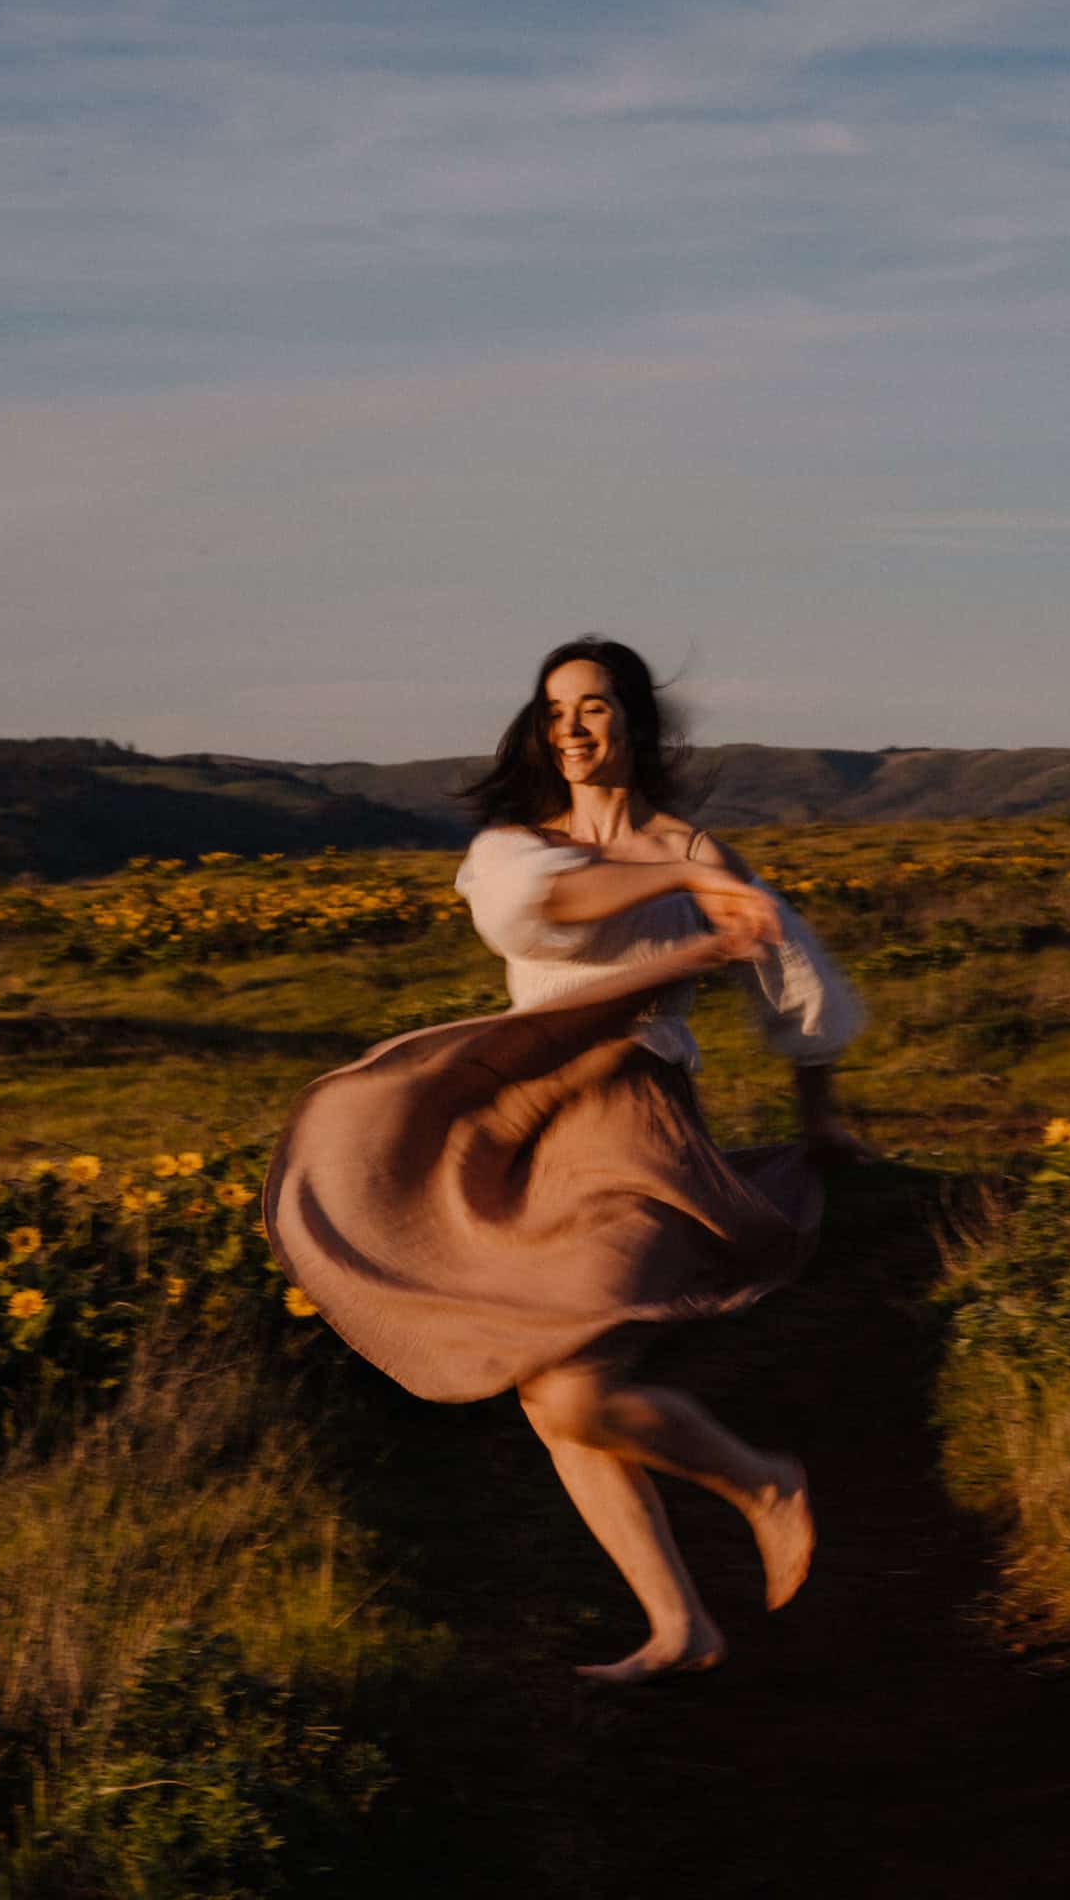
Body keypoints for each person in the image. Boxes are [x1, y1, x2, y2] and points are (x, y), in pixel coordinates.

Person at [263, 637, 869, 1682]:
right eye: (553, 712)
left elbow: (796, 980)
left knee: (576, 1389)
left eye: (592, 707)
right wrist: (673, 871)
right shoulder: (520, 847)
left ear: (634, 718)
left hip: (632, 1122)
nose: (572, 729)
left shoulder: (694, 851)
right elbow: (535, 907)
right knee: (551, 1396)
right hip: (522, 1128)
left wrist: (818, 1117)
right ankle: (681, 1625)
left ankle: (761, 1480)